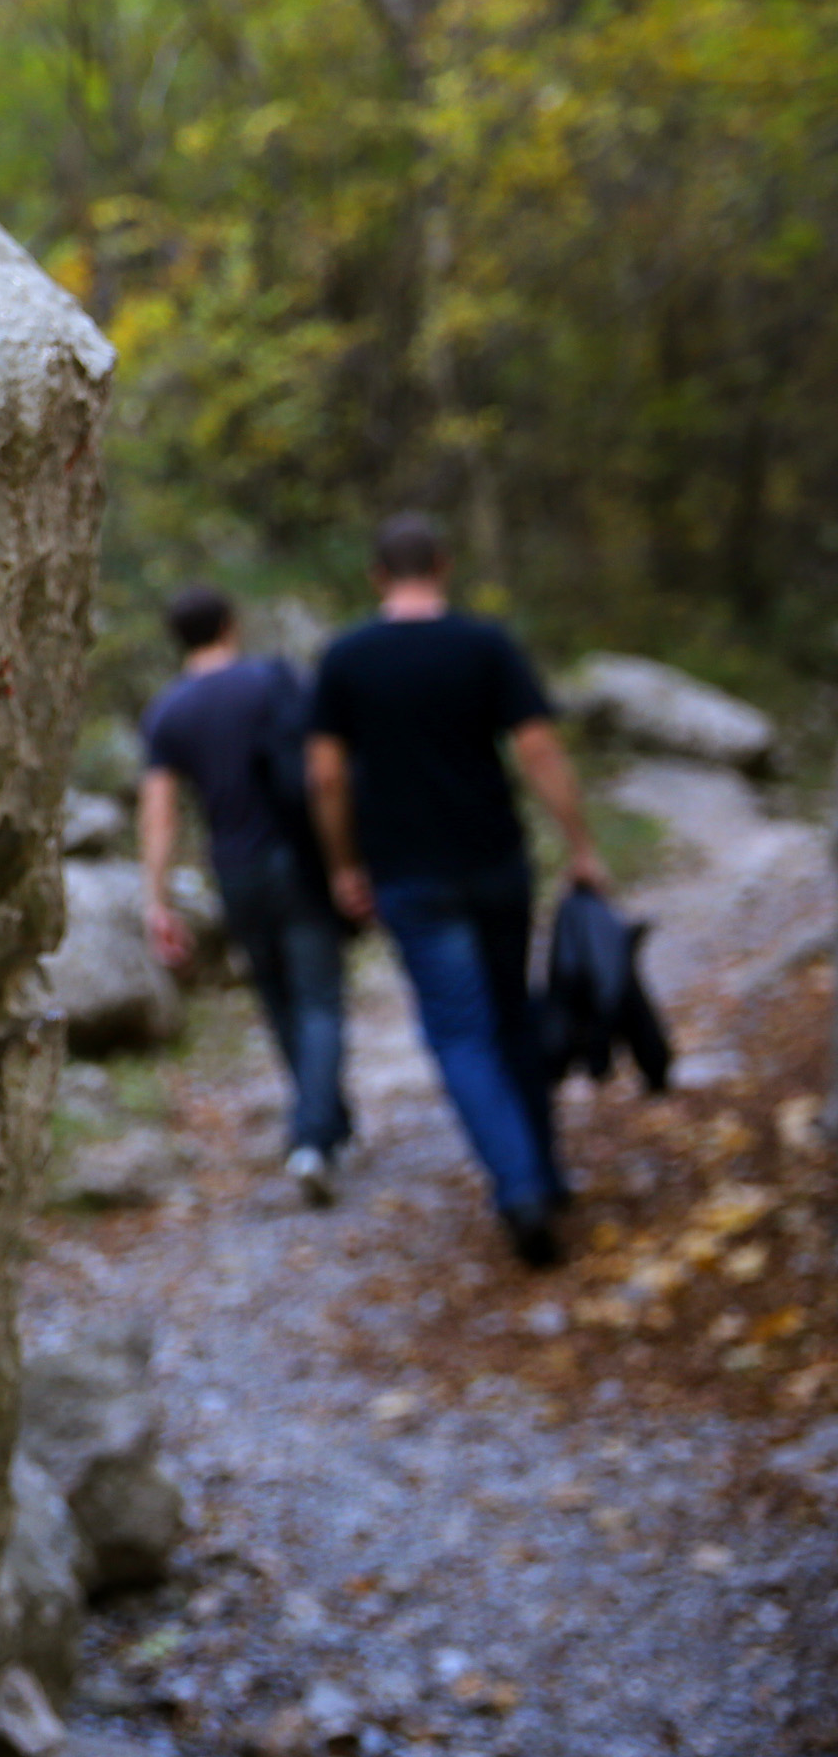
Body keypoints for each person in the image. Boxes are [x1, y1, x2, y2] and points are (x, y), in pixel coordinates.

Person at [306, 514, 606, 1268]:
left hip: (409, 874)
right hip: (496, 861)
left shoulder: (346, 658)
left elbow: (326, 776)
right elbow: (538, 748)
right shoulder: (485, 644)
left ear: (377, 575)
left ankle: (520, 1188)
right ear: (442, 564)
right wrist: (581, 846)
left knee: (460, 1033)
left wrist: (343, 865)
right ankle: (544, 1175)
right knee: (513, 1016)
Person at [140, 586, 353, 1205]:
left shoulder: (167, 712)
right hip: (298, 859)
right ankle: (313, 1136)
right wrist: (347, 859)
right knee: (319, 998)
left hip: (234, 871)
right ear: (230, 624)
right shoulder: (274, 680)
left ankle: (324, 1122)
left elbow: (160, 815)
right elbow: (324, 769)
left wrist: (157, 900)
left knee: (279, 997)